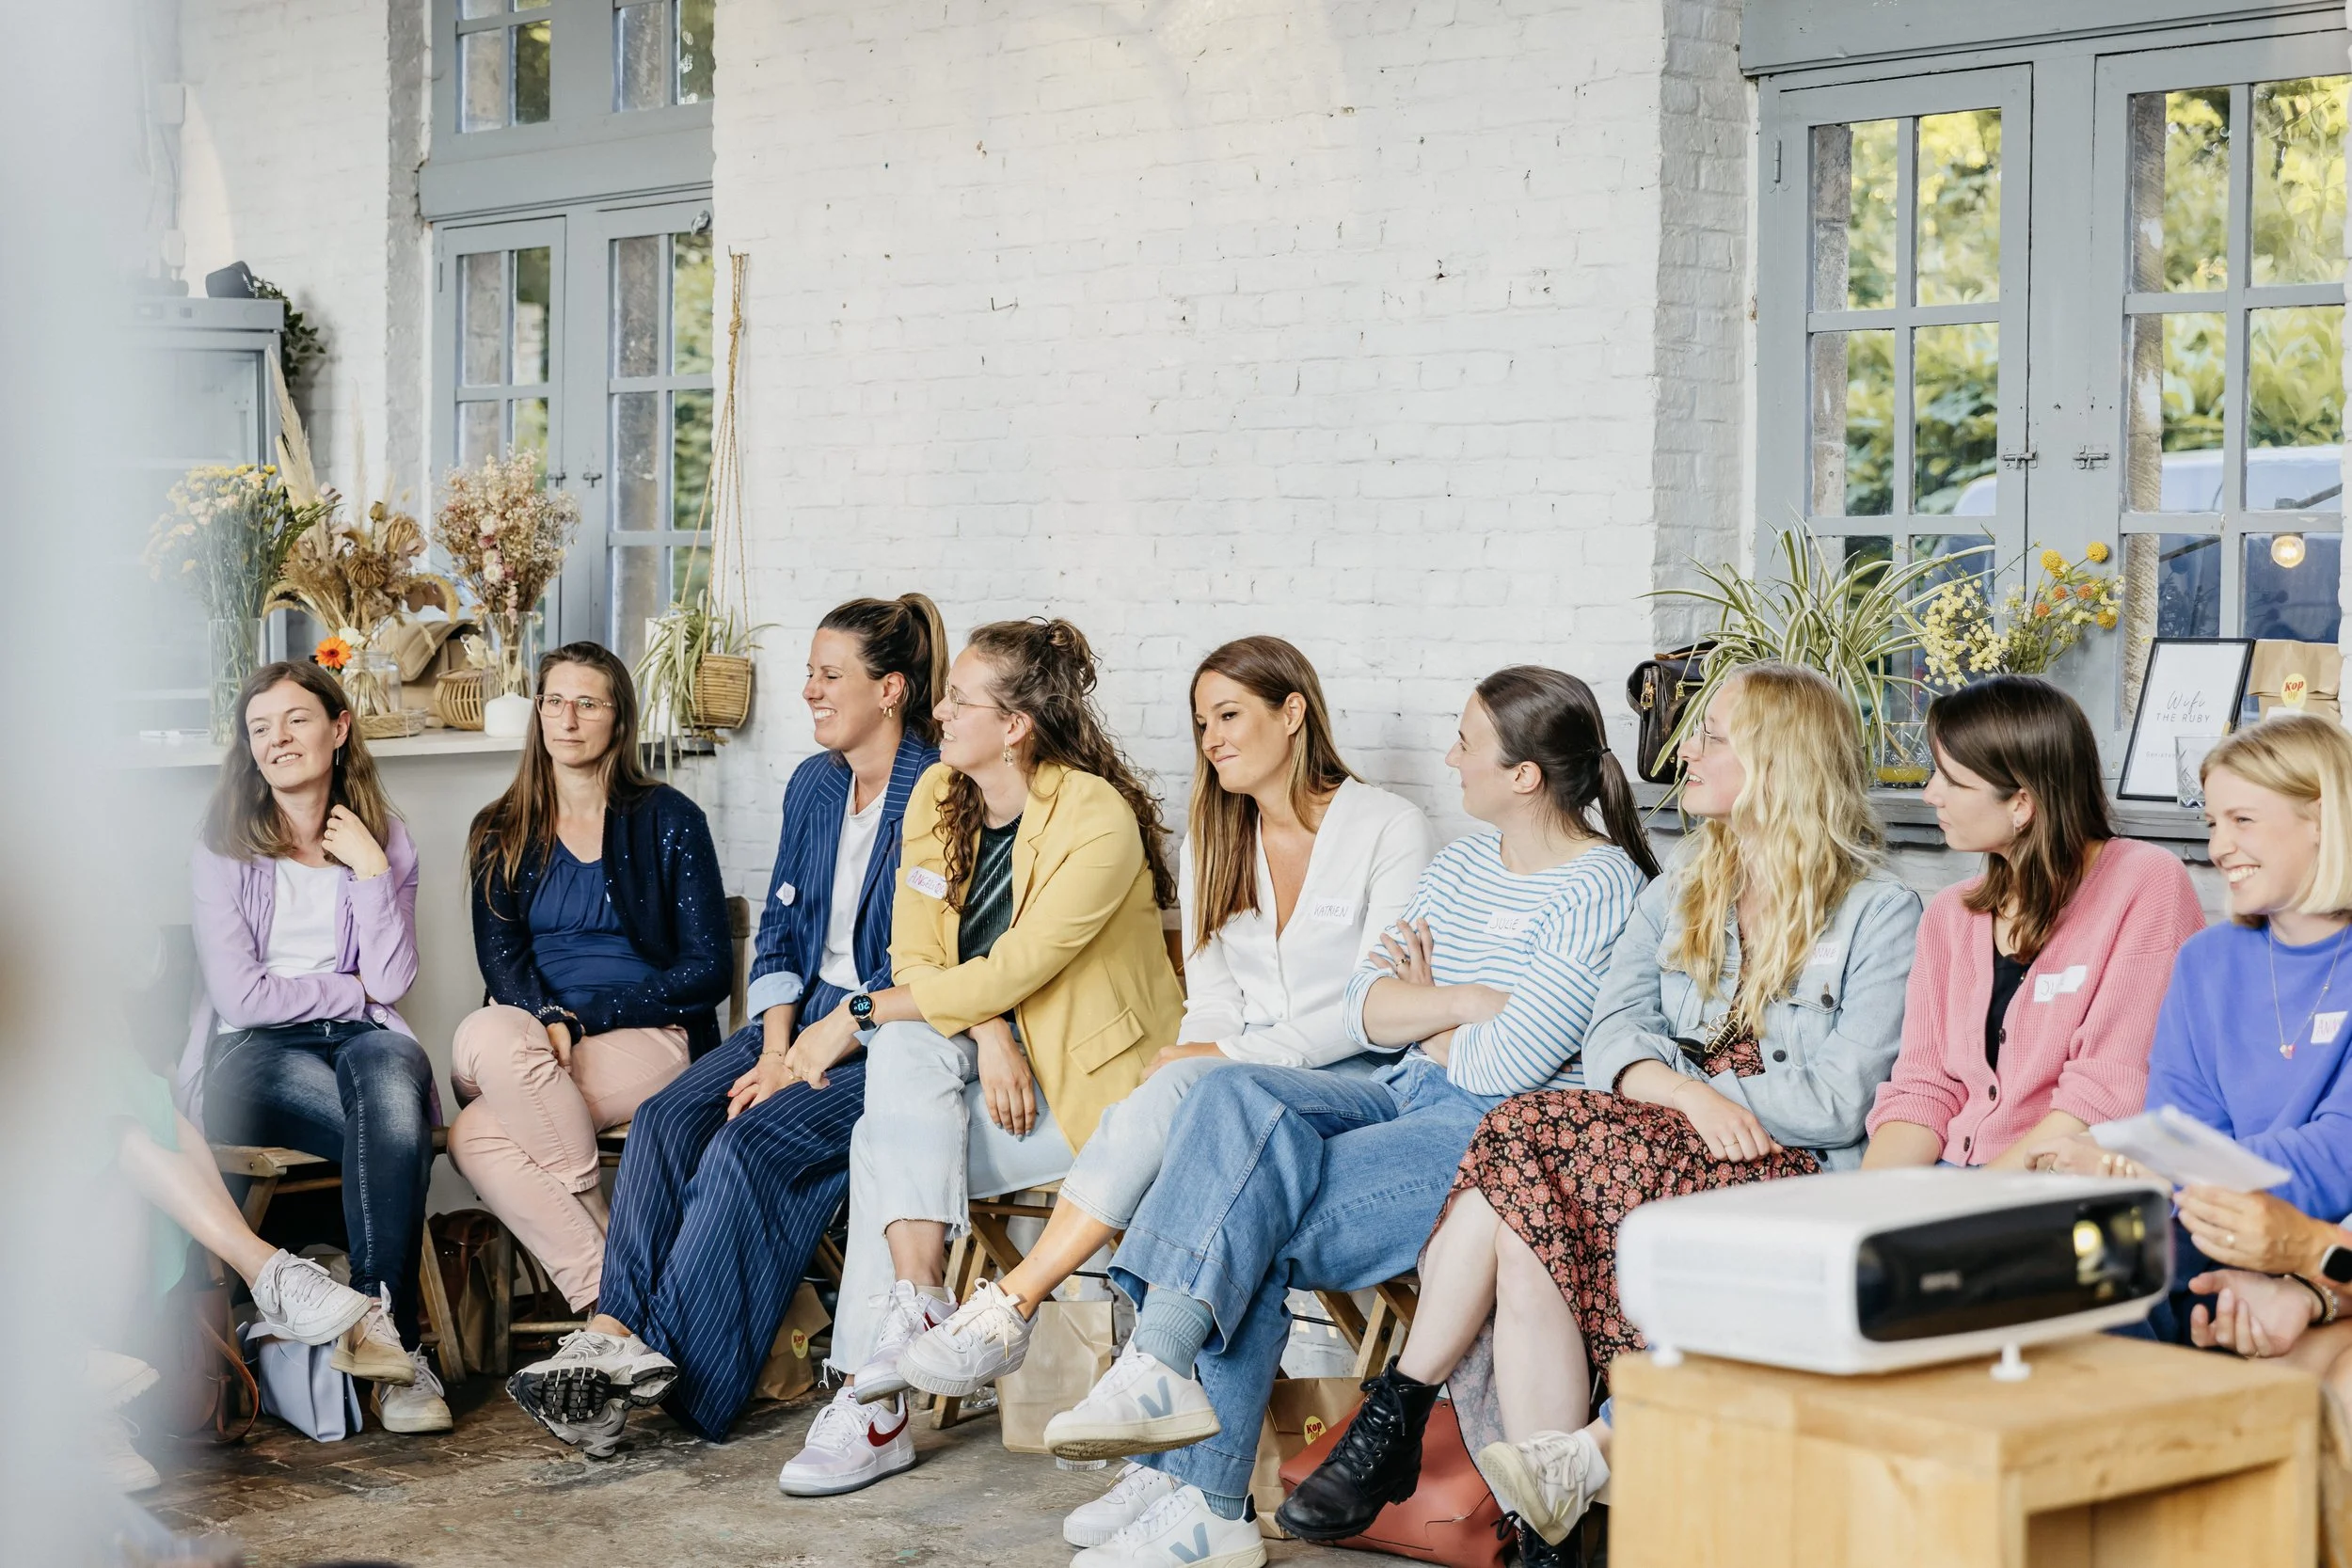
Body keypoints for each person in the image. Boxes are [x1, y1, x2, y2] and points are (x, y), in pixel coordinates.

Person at [1279, 663, 1921, 1560]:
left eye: (1712, 737)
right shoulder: (1680, 891)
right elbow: (1614, 1028)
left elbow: (1836, 1099)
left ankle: (1400, 1409)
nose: (1684, 750)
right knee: (1523, 1214)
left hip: (1783, 1164)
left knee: (1526, 1132)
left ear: (1778, 762)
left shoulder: (1879, 912)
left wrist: (1690, 1092)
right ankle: (1548, 1531)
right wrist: (1682, 1089)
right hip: (1658, 1135)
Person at [1044, 666, 1658, 1568]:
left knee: (1245, 1219)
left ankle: (1202, 1497)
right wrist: (1468, 1002)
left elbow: (1516, 1061)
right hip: (1402, 1089)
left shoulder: (1598, 884)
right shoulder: (1458, 864)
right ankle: (1162, 1375)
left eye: (1466, 741)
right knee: (1224, 1090)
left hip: (1495, 1137)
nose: (1450, 757)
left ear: (1524, 775)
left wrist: (1434, 1007)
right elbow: (1367, 1006)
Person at [896, 636, 1436, 1418]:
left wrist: (1215, 1056)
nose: (1211, 737)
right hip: (1236, 1079)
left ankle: (1016, 1303)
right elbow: (1212, 994)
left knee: (1183, 1081)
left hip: (1353, 1079)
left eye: (1228, 715)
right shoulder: (1217, 834)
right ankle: (1149, 1394)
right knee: (1177, 1082)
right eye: (1200, 722)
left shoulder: (1388, 826)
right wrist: (1202, 1049)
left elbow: (1373, 1007)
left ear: (1293, 713)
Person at [504, 596, 946, 1453]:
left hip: (888, 1034)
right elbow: (780, 928)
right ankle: (618, 1332)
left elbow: (927, 958)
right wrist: (777, 1046)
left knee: (746, 1146)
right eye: (810, 671)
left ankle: (671, 1384)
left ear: (890, 689)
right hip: (802, 1013)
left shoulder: (937, 787)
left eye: (829, 675)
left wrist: (808, 1054)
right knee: (671, 1118)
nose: (809, 689)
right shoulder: (815, 783)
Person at [770, 617, 1187, 1498]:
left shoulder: (1094, 818)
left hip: (1087, 1100)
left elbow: (1017, 963)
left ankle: (871, 1402)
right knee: (904, 1067)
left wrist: (858, 1010)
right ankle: (921, 1314)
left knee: (881, 1142)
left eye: (960, 698)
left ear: (1016, 724)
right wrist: (988, 1033)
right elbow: (922, 955)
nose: (941, 709)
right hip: (984, 1075)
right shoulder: (939, 796)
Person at [2045, 715, 2352, 1561]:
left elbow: (2340, 1152)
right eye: (2212, 822)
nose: (2218, 846)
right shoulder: (2207, 961)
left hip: (2314, 1243)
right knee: (2074, 1253)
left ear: (2323, 818)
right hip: (2215, 1227)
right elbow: (2186, 1125)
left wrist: (2269, 1252)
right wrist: (2142, 1158)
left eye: (2242, 820)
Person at [179, 661, 448, 1433]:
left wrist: (369, 868)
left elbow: (391, 981)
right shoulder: (222, 848)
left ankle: (378, 1329)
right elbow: (243, 998)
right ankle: (400, 1354)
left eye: (295, 720)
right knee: (394, 1131)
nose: (276, 739)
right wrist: (347, 989)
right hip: (252, 1053)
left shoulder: (385, 839)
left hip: (362, 1038)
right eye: (259, 728)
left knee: (395, 1077)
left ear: (339, 727)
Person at [449, 642, 730, 1366]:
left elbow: (708, 968)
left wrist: (585, 1019)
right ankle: (624, 1272)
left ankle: (606, 1309)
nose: (565, 718)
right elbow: (501, 959)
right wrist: (548, 1018)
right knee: (489, 1032)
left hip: (648, 1032)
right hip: (530, 1039)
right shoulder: (498, 826)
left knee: (473, 1137)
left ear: (619, 719)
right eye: (552, 700)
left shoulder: (670, 818)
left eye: (587, 703)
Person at [1862, 676, 2205, 1170]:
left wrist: (1959, 1220)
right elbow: (1923, 1087)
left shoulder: (2146, 883)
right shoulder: (1951, 914)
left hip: (2060, 1184)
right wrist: (1862, 1208)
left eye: (1952, 781)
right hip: (1951, 1181)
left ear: (2021, 804)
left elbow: (2106, 1093)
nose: (1929, 795)